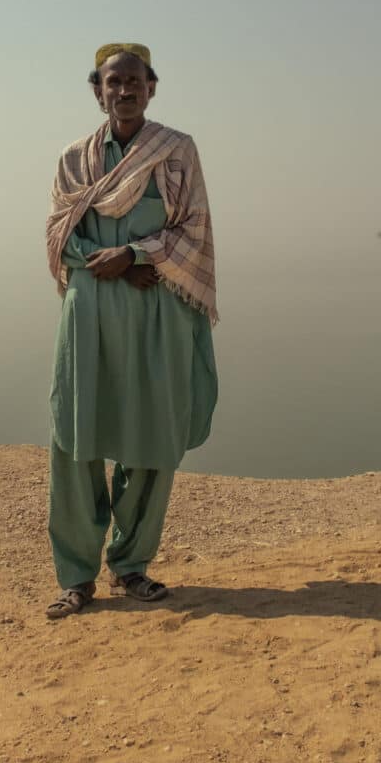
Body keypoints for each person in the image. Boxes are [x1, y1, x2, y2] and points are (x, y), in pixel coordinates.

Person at [43, 42, 219, 619]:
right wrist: (111, 261)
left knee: (152, 437)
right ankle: (75, 576)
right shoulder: (74, 158)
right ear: (97, 91)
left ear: (152, 88)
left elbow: (194, 229)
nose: (124, 90)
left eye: (135, 81)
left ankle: (132, 565)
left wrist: (141, 257)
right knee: (75, 438)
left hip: (155, 311)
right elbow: (59, 234)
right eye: (113, 82)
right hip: (91, 311)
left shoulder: (177, 152)